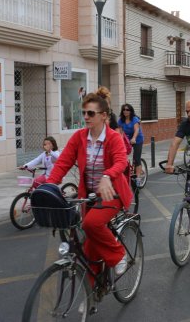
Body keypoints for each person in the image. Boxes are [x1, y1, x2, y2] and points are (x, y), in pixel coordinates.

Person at [47, 87, 131, 276]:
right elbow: (63, 163)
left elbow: (121, 161)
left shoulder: (114, 137)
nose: (86, 117)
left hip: (112, 194)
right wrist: (50, 185)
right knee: (89, 248)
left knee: (90, 225)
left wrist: (108, 176)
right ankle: (91, 296)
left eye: (90, 113)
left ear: (103, 116)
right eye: (83, 112)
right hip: (89, 197)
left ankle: (118, 254)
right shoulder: (79, 137)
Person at [118, 103, 144, 184]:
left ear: (130, 111)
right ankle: (129, 171)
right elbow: (120, 132)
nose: (125, 111)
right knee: (122, 157)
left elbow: (136, 130)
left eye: (127, 110)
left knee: (136, 158)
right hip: (127, 140)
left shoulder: (134, 119)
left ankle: (138, 178)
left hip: (137, 139)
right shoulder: (120, 120)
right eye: (124, 110)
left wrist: (134, 138)